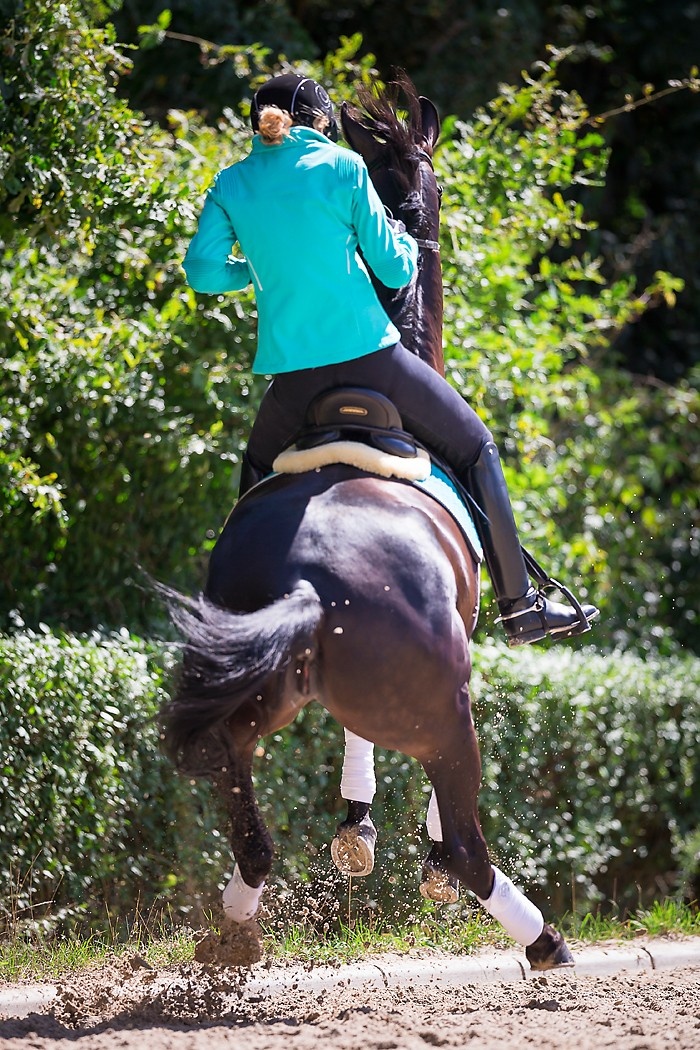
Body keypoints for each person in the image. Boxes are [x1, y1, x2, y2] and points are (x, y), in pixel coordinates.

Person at [182, 71, 599, 652]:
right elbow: (400, 271)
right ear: (321, 121)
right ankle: (521, 606)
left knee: (256, 474)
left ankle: (231, 608)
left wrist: (255, 268)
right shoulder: (345, 169)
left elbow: (201, 273)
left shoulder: (230, 184)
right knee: (478, 447)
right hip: (374, 361)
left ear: (260, 123)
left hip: (294, 383)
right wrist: (396, 239)